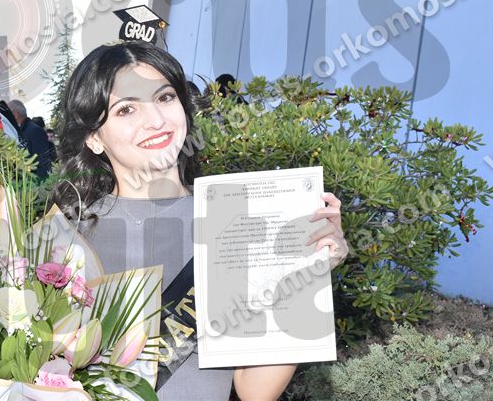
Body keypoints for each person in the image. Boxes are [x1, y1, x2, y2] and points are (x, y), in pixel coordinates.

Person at [53, 42, 348, 401]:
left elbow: (255, 391)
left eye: (164, 98)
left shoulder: (236, 220)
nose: (156, 120)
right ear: (94, 138)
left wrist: (307, 270)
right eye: (126, 109)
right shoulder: (64, 237)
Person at [7, 100, 53, 179]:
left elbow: (42, 161)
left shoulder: (34, 130)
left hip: (35, 180)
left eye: (8, 113)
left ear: (15, 114)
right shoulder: (22, 130)